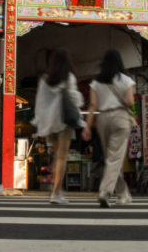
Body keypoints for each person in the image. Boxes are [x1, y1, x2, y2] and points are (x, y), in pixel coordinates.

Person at [82, 49, 135, 208]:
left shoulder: (96, 83)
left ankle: (123, 193)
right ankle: (105, 191)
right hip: (120, 117)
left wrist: (87, 126)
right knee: (114, 158)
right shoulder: (126, 80)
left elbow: (92, 105)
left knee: (110, 158)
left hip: (102, 119)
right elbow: (130, 101)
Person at [32, 48, 84, 204]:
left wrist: (40, 122)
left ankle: (56, 189)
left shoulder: (45, 80)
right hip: (65, 122)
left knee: (56, 157)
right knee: (62, 157)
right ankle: (56, 193)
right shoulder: (68, 77)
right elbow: (75, 99)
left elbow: (40, 104)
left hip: (50, 122)